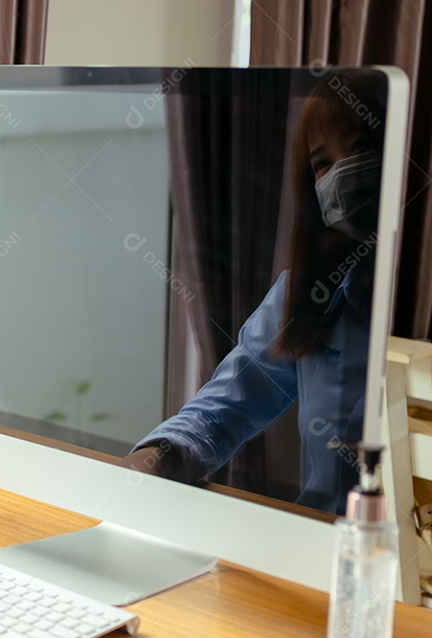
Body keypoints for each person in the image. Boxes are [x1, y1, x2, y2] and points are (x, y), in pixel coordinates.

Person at [124, 70, 386, 515]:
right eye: (322, 163)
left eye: (359, 148)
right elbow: (229, 402)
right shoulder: (306, 292)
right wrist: (158, 455)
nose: (342, 173)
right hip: (319, 546)